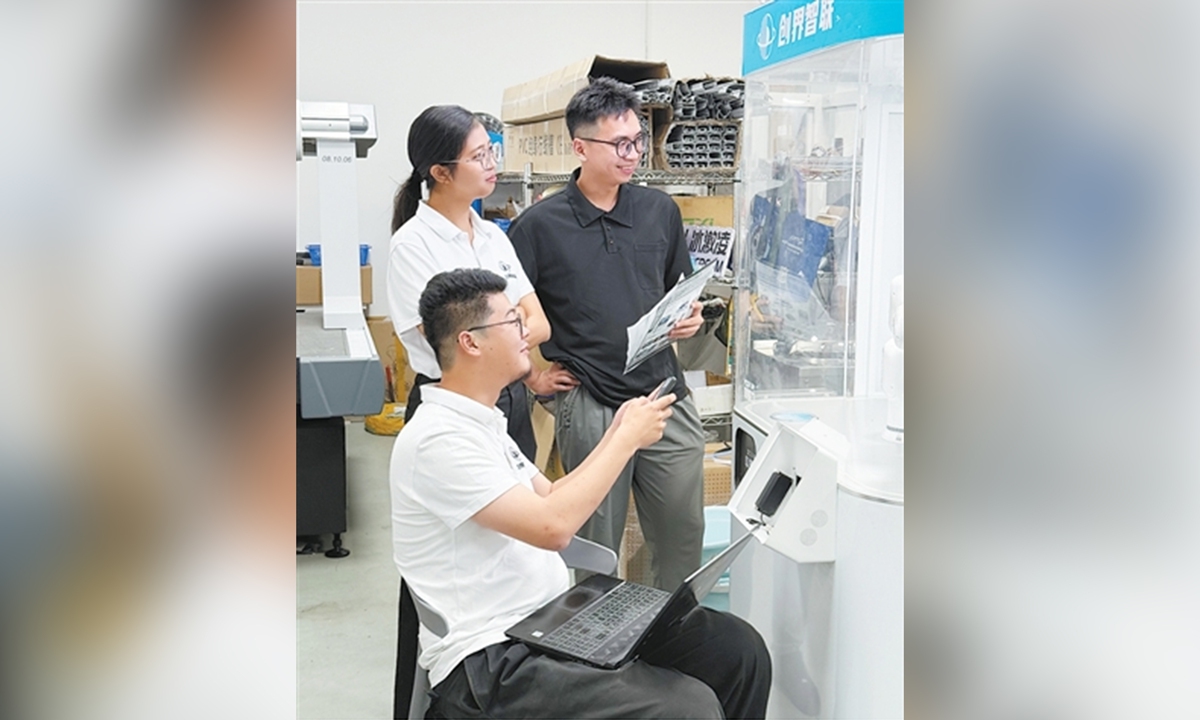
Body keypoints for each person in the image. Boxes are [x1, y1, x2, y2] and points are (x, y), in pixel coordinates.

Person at [390, 268, 770, 720]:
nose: (527, 332)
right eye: (512, 321)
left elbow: (551, 493)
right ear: (470, 342)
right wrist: (625, 440)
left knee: (737, 650)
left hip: (548, 623)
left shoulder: (482, 423)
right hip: (490, 658)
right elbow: (553, 528)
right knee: (687, 708)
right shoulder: (438, 439)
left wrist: (615, 433)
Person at [508, 77, 707, 590]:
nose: (633, 154)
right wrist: (531, 376)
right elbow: (506, 317)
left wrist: (691, 318)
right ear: (580, 147)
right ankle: (596, 638)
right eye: (619, 144)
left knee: (683, 538)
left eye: (638, 140)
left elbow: (679, 290)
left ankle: (672, 632)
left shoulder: (659, 210)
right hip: (591, 400)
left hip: (662, 396)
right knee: (596, 547)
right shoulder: (538, 226)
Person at [388, 105, 577, 459]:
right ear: (441, 172)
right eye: (478, 156)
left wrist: (526, 370)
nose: (492, 164)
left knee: (521, 492)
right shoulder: (412, 245)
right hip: (453, 405)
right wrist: (512, 323)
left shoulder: (493, 236)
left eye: (491, 151)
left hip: (510, 399)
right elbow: (454, 346)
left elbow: (539, 323)